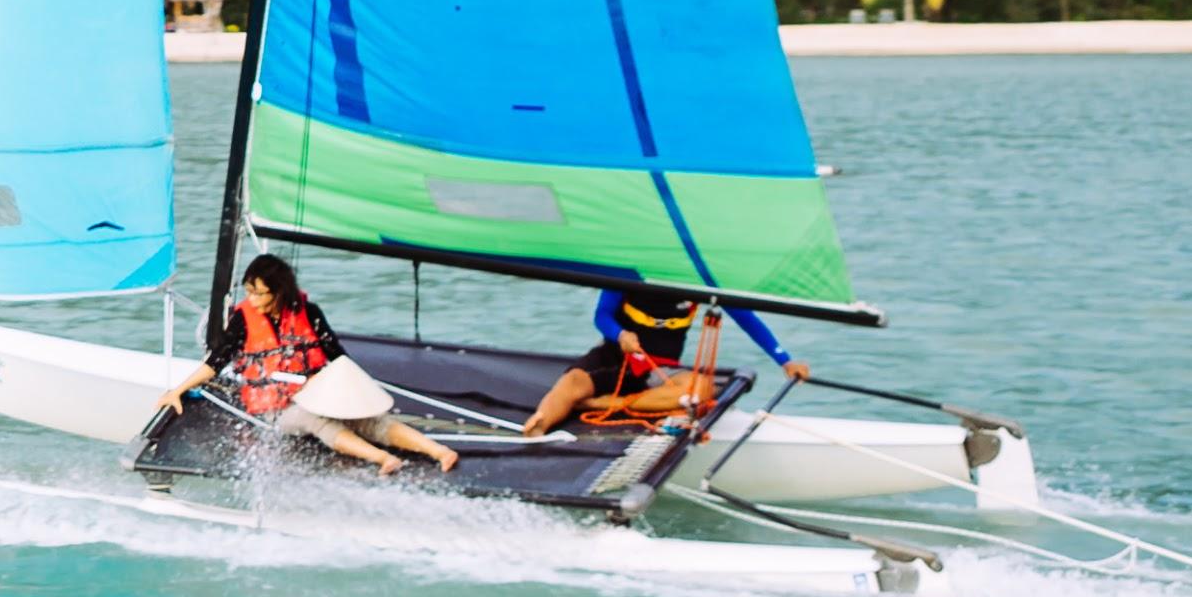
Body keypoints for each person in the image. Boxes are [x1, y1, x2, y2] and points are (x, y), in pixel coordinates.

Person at [204, 254, 461, 476]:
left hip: (319, 394)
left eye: (258, 292)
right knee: (315, 419)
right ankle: (383, 458)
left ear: (278, 291)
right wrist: (177, 391)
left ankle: (440, 451)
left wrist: (347, 389)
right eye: (248, 291)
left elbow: (338, 357)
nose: (251, 299)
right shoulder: (243, 320)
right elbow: (216, 361)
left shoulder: (310, 313)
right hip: (277, 409)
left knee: (369, 419)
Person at [521, 284, 788, 436]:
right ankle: (537, 427)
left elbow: (746, 318)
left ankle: (604, 405)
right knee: (571, 383)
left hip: (658, 370)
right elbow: (602, 316)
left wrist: (785, 361)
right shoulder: (628, 272)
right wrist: (620, 334)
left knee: (701, 389)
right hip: (616, 356)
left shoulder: (697, 281)